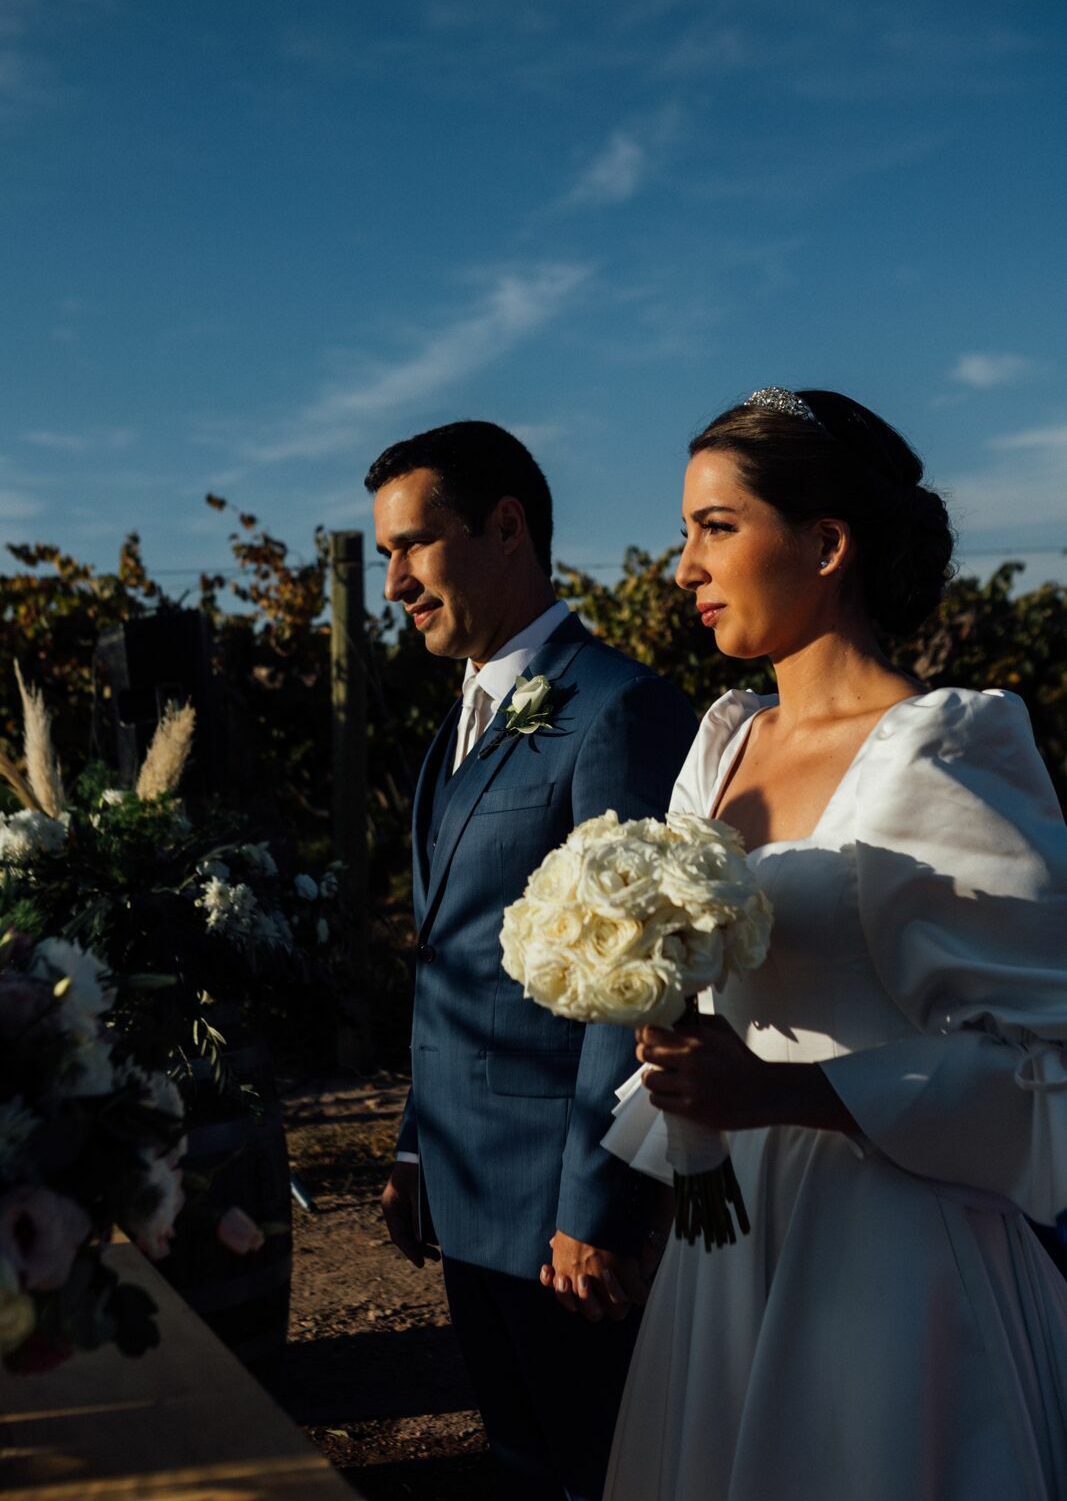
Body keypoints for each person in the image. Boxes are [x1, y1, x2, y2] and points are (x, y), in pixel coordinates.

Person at [598, 387, 1067, 1501]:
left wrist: (797, 1093)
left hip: (884, 1252)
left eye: (714, 528)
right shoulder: (720, 746)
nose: (681, 569)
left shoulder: (940, 753)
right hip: (727, 1241)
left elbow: (1042, 1060)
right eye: (682, 534)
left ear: (824, 543)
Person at [366, 420, 697, 1501]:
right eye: (381, 556)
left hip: (561, 1212)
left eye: (412, 545)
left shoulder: (618, 705)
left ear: (506, 527)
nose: (393, 583)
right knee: (520, 1469)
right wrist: (419, 1149)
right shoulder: (454, 723)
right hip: (466, 1188)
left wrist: (596, 1204)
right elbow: (450, 963)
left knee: (598, 1474)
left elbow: (634, 975)